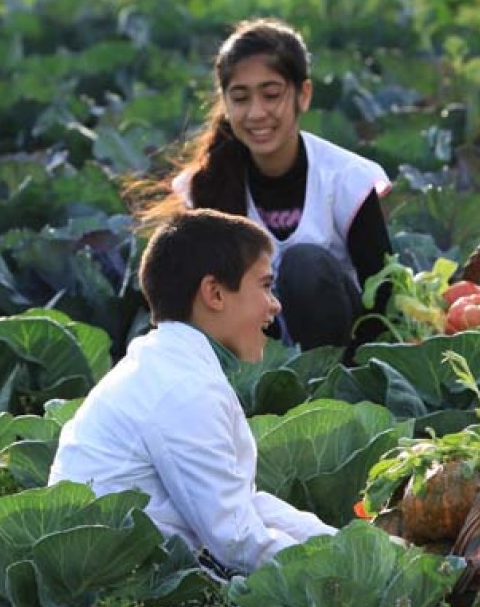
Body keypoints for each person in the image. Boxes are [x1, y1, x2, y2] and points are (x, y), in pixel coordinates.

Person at [50, 209, 335, 574]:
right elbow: (236, 540)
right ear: (215, 293)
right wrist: (344, 572)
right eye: (265, 286)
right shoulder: (184, 390)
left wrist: (342, 543)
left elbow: (245, 505)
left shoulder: (168, 364)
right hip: (119, 585)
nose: (275, 305)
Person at [141, 18, 393, 350]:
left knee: (304, 264)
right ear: (225, 103)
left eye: (271, 95)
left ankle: (322, 378)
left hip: (342, 351)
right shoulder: (203, 186)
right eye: (240, 98)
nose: (257, 113)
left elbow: (385, 297)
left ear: (303, 95)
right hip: (248, 358)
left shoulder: (347, 179)